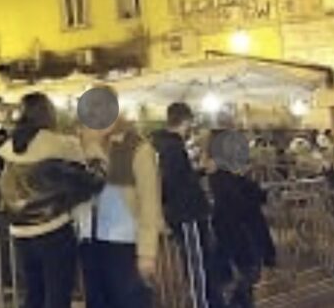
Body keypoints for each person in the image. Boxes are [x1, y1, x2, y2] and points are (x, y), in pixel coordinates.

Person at [0, 92, 106, 308]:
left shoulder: (9, 148)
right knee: (57, 296)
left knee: (33, 295)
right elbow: (90, 183)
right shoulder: (60, 146)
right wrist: (98, 162)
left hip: (20, 232)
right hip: (53, 230)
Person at [76, 112, 163, 308]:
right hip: (90, 240)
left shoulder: (137, 148)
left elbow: (150, 202)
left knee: (129, 300)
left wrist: (147, 252)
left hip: (125, 241)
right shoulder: (82, 148)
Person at [152, 102, 223, 308]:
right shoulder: (171, 147)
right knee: (196, 264)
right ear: (185, 121)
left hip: (184, 212)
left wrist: (199, 172)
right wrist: (201, 173)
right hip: (187, 213)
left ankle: (206, 300)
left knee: (197, 261)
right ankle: (203, 303)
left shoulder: (165, 145)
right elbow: (174, 182)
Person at [207, 137, 275, 308]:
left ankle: (239, 300)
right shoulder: (223, 178)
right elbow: (239, 201)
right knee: (247, 272)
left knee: (248, 273)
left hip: (241, 231)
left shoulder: (231, 178)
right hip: (239, 232)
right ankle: (237, 301)